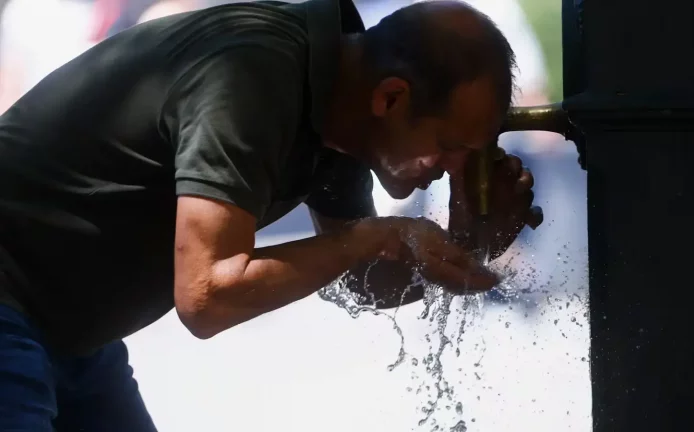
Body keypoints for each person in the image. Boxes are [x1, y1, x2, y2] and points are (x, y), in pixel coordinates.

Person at [0, 0, 540, 429]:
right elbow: (208, 297)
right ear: (392, 98)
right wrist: (372, 237)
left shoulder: (343, 103)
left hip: (71, 331)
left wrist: (470, 246)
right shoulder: (254, 78)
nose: (449, 170)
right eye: (448, 145)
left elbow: (364, 284)